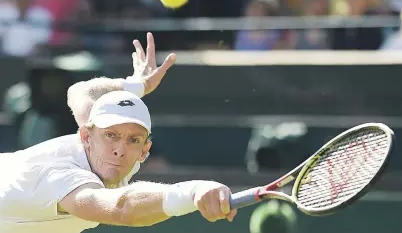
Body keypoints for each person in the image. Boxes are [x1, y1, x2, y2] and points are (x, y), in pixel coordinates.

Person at [0, 33, 237, 233]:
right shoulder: (61, 177)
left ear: (145, 151)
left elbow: (81, 90)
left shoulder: (98, 138)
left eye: (133, 140)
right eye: (110, 135)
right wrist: (193, 191)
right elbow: (123, 207)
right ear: (85, 137)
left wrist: (136, 85)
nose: (119, 150)